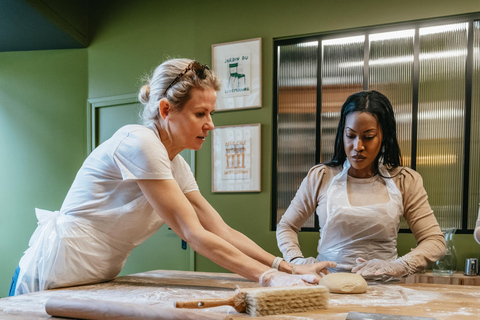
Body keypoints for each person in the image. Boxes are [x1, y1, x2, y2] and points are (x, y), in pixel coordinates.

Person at [10, 58, 336, 296]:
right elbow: (193, 235)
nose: (210, 124)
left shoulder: (176, 164)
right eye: (200, 114)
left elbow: (218, 228)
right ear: (166, 110)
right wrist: (267, 278)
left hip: (89, 282)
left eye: (211, 113)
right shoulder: (139, 142)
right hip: (51, 276)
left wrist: (286, 267)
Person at [276, 90, 446, 279]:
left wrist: (400, 265)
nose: (358, 147)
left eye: (368, 136)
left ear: (384, 137)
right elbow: (286, 227)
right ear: (343, 134)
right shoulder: (321, 177)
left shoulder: (404, 180)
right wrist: (296, 262)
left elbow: (435, 241)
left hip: (386, 290)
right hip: (326, 285)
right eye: (351, 135)